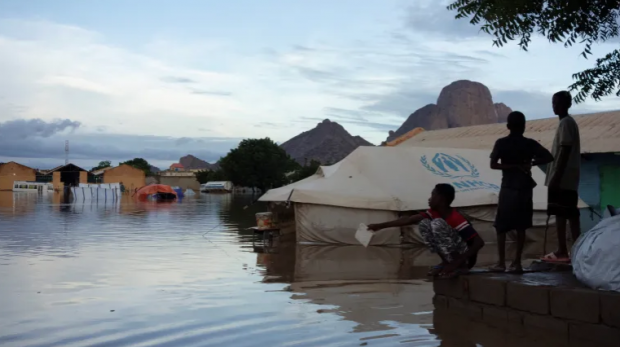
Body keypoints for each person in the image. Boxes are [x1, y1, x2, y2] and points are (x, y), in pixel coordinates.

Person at [367, 184, 485, 278]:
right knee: (424, 224)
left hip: (465, 258)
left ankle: (460, 267)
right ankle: (446, 261)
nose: (429, 199)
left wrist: (458, 262)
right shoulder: (434, 213)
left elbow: (479, 243)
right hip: (454, 257)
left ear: (441, 199)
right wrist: (380, 226)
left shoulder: (455, 218)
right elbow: (408, 220)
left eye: (432, 195)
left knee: (437, 224)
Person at [489, 111, 554, 273]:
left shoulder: (501, 143)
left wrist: (511, 166)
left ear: (508, 126)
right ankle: (516, 263)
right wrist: (530, 163)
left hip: (508, 187)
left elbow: (493, 165)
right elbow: (548, 157)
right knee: (521, 227)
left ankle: (501, 263)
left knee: (502, 227)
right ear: (524, 127)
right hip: (524, 188)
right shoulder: (529, 144)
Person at [542, 91, 581, 263]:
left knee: (561, 213)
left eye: (557, 103)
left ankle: (562, 250)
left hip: (563, 178)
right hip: (567, 178)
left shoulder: (566, 123)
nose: (554, 106)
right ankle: (578, 249)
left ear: (567, 104)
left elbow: (564, 150)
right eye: (553, 102)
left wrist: (556, 176)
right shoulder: (567, 123)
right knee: (570, 213)